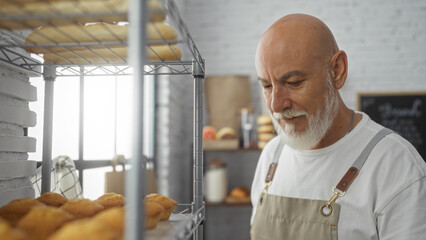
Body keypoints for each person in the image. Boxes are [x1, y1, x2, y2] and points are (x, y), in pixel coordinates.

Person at [250, 13, 426, 240]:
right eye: (266, 86)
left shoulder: (396, 166)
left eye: (294, 83)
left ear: (337, 71)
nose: (276, 105)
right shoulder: (271, 155)